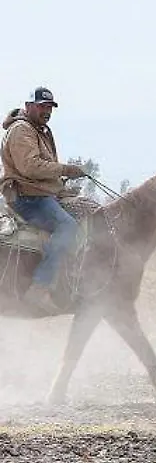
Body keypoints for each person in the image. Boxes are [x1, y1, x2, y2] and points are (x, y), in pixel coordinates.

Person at [0, 87, 88, 312]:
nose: (46, 111)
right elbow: (30, 166)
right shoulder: (22, 130)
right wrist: (66, 169)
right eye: (41, 106)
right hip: (27, 197)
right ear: (28, 106)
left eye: (49, 107)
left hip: (40, 193)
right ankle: (40, 288)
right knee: (67, 226)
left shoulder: (40, 130)